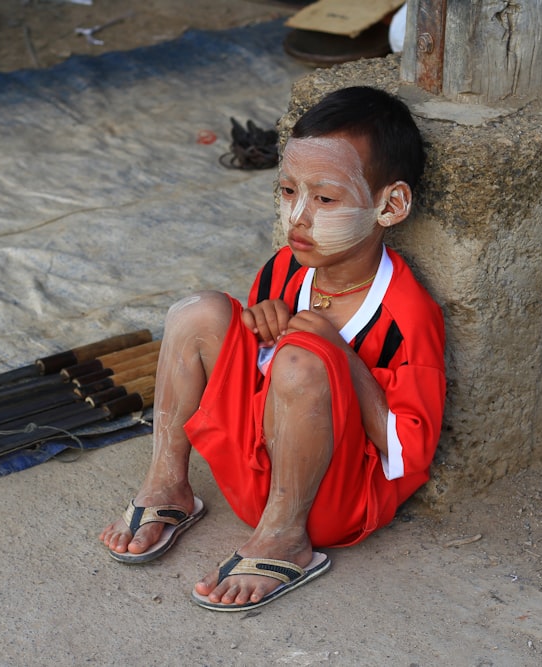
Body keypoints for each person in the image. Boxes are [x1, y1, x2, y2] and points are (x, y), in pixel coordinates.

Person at [99, 86, 446, 611]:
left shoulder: (407, 314)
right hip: (257, 471)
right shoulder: (285, 269)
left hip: (329, 505)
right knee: (198, 311)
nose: (298, 217)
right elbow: (266, 381)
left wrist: (340, 356)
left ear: (389, 205)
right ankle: (168, 486)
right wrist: (261, 333)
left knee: (304, 357)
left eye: (325, 198)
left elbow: (406, 456)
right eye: (288, 191)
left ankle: (285, 541)